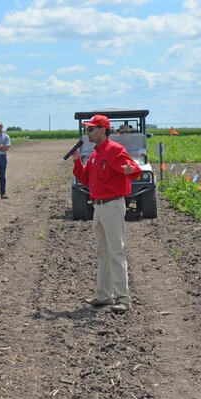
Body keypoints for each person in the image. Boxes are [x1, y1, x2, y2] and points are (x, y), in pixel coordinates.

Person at [72, 114, 140, 314]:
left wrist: (130, 169)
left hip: (112, 206)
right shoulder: (95, 154)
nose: (88, 132)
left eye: (91, 128)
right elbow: (85, 178)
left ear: (102, 129)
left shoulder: (115, 150)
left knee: (115, 252)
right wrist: (77, 162)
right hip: (99, 207)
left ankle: (123, 299)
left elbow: (133, 168)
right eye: (88, 128)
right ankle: (104, 295)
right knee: (103, 253)